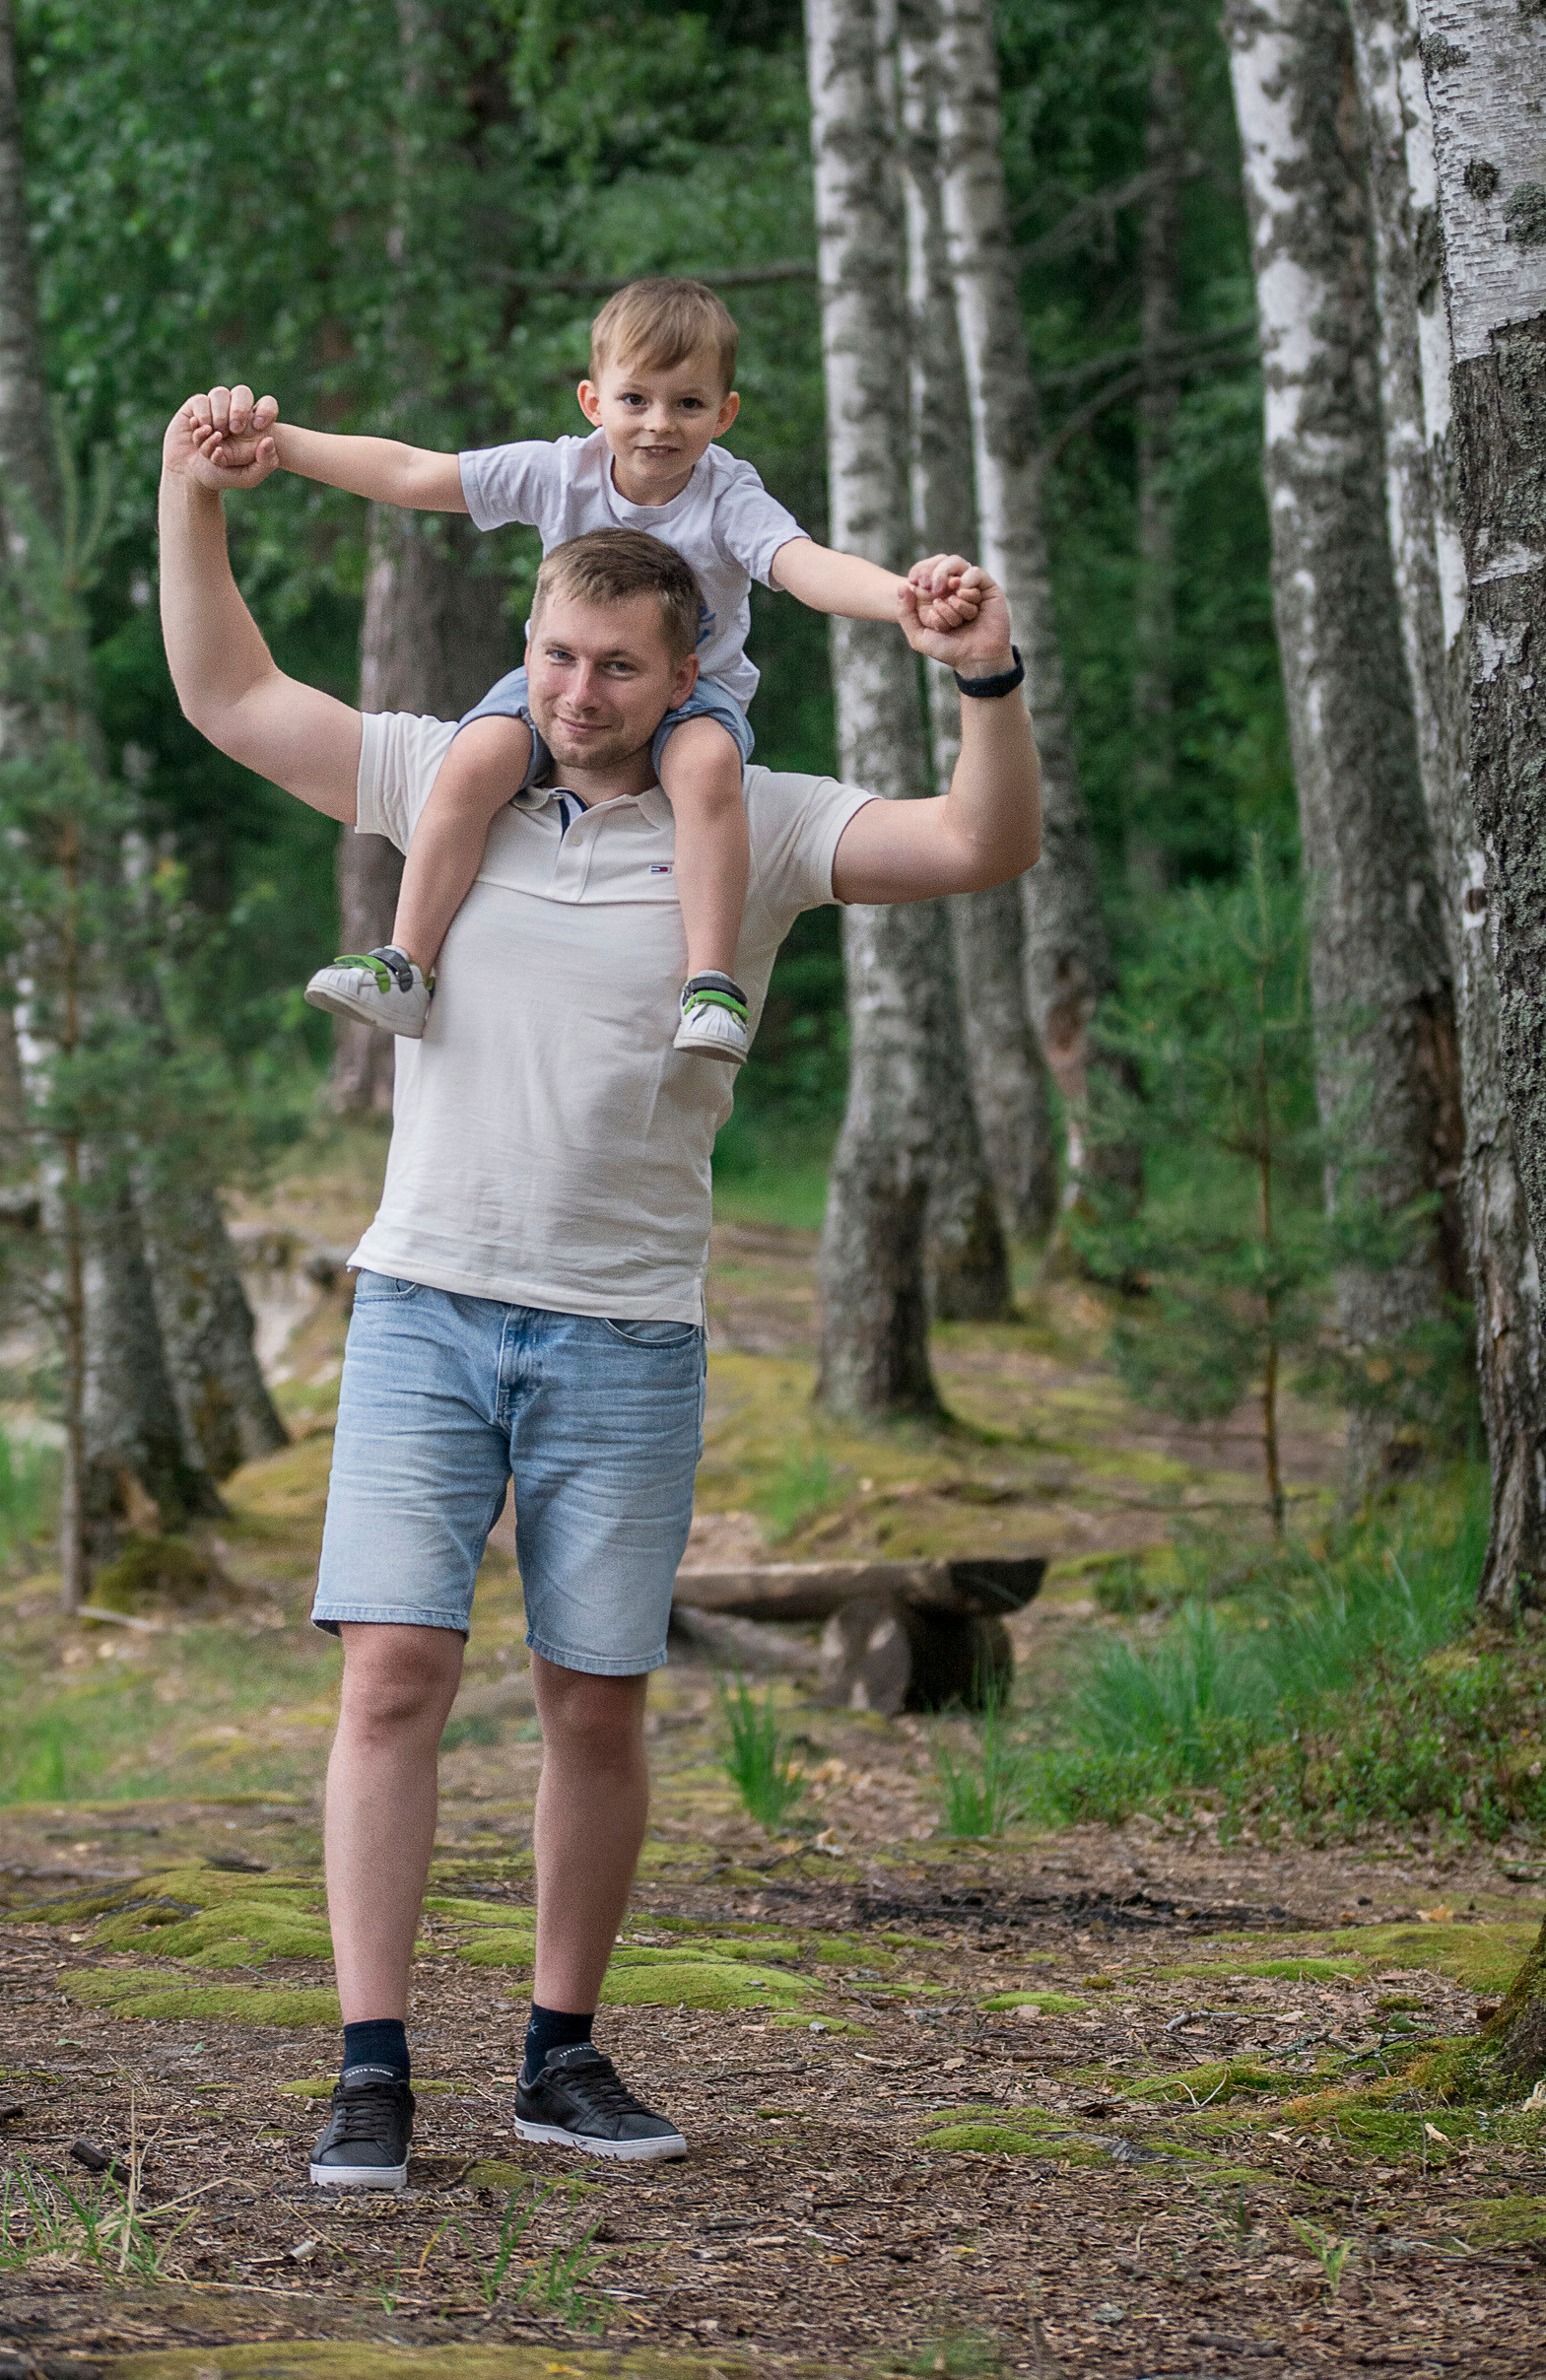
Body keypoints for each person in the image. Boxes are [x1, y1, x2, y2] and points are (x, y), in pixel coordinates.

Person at [158, 388, 1041, 2193]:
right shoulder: (444, 777)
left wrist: (989, 681)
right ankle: (369, 2068)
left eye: (617, 668)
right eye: (555, 656)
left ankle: (558, 2058)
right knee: (393, 1675)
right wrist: (196, 502)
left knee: (594, 1696)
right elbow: (229, 697)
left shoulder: (757, 818)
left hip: (625, 1329)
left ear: (687, 666)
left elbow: (979, 849)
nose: (576, 694)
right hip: (425, 1303)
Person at [182, 275, 981, 1064]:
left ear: (725, 413)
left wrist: (899, 598)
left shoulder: (729, 497)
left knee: (706, 771)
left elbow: (803, 567)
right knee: (474, 758)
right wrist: (280, 447)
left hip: (693, 693)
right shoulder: (559, 471)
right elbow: (410, 473)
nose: (659, 425)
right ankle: (404, 962)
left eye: (688, 404)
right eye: (636, 400)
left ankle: (711, 985)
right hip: (563, 677)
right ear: (594, 402)